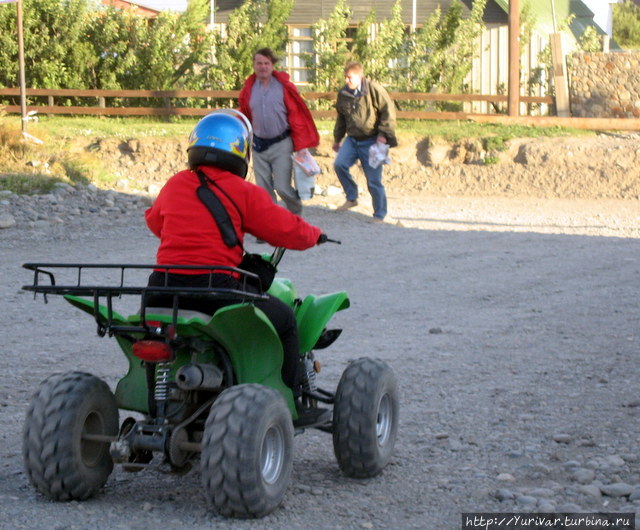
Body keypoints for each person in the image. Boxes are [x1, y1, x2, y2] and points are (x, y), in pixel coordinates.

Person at [144, 109, 326, 420]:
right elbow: (283, 228)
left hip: (161, 288)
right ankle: (294, 400)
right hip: (216, 290)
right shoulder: (242, 191)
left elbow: (155, 223)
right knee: (284, 320)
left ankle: (154, 408)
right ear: (240, 150)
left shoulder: (175, 183)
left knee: (154, 339)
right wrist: (315, 235)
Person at [238, 47, 319, 216]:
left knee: (282, 187)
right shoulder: (249, 88)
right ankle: (270, 225)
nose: (263, 67)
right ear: (253, 65)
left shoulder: (284, 87)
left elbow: (297, 117)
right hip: (258, 145)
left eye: (266, 63)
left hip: (282, 144)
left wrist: (302, 146)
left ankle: (296, 216)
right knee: (263, 191)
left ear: (272, 65)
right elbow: (244, 115)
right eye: (259, 63)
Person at [332, 61, 397, 223]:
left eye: (350, 77)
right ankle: (352, 197)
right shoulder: (343, 93)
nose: (347, 81)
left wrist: (384, 134)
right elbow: (341, 118)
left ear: (360, 76)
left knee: (374, 180)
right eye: (345, 77)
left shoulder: (374, 90)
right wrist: (337, 138)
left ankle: (379, 214)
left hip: (373, 140)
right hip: (352, 139)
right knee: (339, 164)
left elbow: (388, 112)